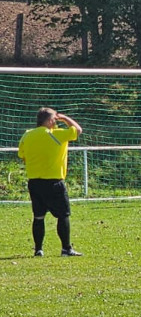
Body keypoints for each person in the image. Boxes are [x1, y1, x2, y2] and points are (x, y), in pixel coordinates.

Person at [16, 107, 83, 257]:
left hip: (34, 182)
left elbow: (22, 154)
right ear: (51, 120)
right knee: (63, 215)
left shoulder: (27, 135)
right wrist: (65, 118)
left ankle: (38, 249)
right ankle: (66, 248)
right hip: (54, 182)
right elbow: (78, 130)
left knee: (38, 216)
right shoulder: (57, 134)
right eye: (55, 119)